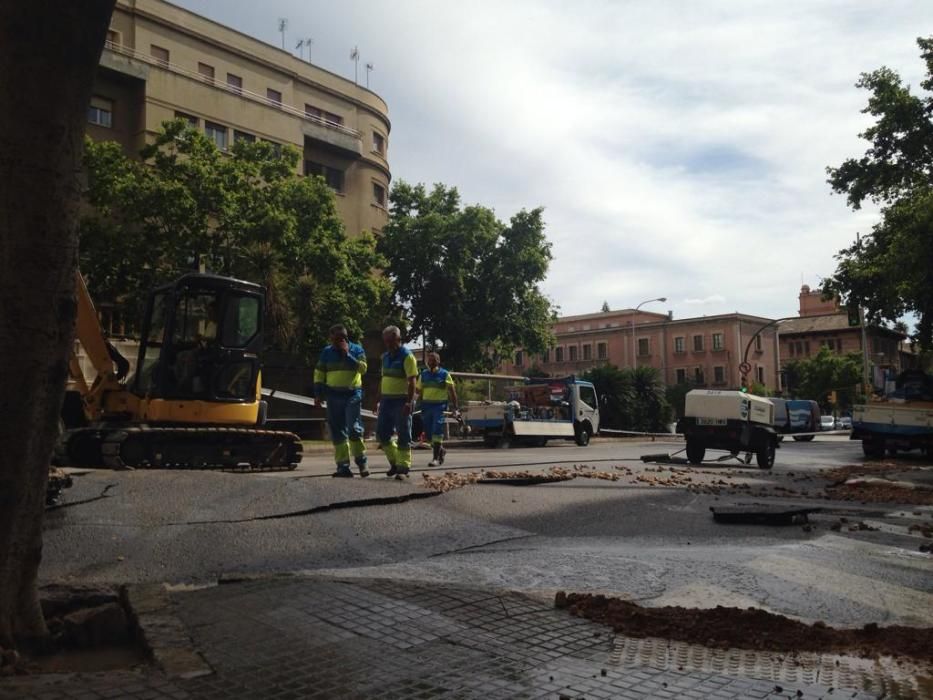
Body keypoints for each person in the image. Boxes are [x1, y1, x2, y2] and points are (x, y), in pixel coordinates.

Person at [313, 324, 369, 478]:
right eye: (333, 339)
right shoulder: (326, 352)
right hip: (333, 396)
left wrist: (348, 355)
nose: (335, 342)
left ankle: (362, 462)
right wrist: (318, 394)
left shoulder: (357, 349)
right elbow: (319, 373)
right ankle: (343, 467)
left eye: (338, 339)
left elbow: (363, 369)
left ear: (344, 338)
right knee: (338, 432)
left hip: (352, 395)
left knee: (353, 429)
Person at [376, 325, 418, 479]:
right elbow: (383, 379)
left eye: (390, 341)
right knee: (381, 433)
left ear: (398, 339)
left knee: (403, 433)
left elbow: (412, 382)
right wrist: (378, 399)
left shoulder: (407, 356)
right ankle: (394, 462)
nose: (388, 344)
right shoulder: (385, 357)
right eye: (385, 341)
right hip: (386, 400)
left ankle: (403, 466)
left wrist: (408, 403)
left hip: (401, 400)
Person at [417, 351, 459, 466]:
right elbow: (419, 392)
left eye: (434, 360)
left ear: (438, 361)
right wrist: (415, 403)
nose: (431, 362)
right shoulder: (423, 375)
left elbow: (452, 392)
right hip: (426, 406)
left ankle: (435, 458)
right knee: (429, 435)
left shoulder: (444, 374)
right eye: (429, 360)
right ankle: (441, 450)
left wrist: (456, 408)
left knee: (437, 431)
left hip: (439, 407)